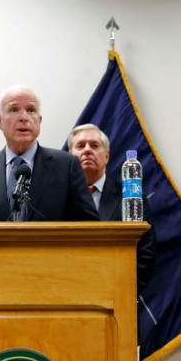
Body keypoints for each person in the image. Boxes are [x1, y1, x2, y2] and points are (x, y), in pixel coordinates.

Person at [0, 84, 99, 222]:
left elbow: (89, 226)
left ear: (39, 121)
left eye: (31, 110)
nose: (24, 117)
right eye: (14, 109)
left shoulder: (67, 166)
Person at [67, 123, 156, 291]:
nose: (87, 150)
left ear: (106, 156)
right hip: (69, 299)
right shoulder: (58, 198)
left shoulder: (131, 198)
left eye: (94, 145)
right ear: (70, 156)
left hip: (118, 298)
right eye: (80, 146)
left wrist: (116, 292)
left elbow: (145, 255)